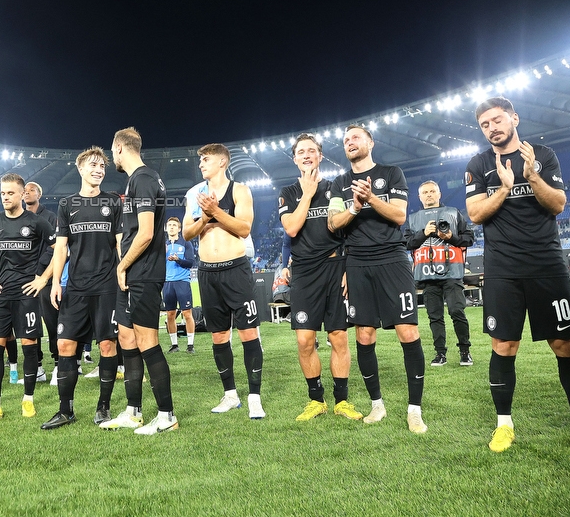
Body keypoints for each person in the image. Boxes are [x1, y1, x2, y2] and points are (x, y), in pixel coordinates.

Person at [466, 97, 570, 454]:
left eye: (497, 120)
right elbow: (475, 214)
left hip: (546, 264)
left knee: (565, 344)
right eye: (485, 125)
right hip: (502, 269)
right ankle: (504, 426)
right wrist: (502, 188)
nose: (492, 128)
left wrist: (530, 177)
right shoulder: (478, 164)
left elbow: (558, 204)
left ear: (514, 118)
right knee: (504, 345)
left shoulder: (542, 155)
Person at [327, 124, 428, 434]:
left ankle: (414, 410)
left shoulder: (391, 173)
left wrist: (370, 197)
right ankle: (377, 405)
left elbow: (399, 216)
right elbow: (333, 224)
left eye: (355, 137)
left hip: (392, 258)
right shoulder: (339, 184)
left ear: (370, 142)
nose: (349, 142)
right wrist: (356, 207)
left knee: (407, 331)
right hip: (357, 261)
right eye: (345, 140)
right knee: (364, 334)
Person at [279, 133, 362, 422]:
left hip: (335, 268)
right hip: (303, 272)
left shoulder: (336, 187)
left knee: (338, 336)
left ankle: (341, 401)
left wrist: (349, 269)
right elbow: (291, 228)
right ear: (294, 158)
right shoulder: (288, 192)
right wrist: (306, 193)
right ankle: (316, 400)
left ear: (320, 156)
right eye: (300, 151)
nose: (306, 155)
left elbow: (349, 230)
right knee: (305, 340)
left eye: (311, 151)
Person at [100, 127, 178, 434]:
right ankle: (133, 412)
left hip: (142, 273)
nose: (111, 156)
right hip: (133, 273)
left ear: (119, 148)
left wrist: (122, 266)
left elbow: (145, 233)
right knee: (127, 339)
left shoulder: (144, 179)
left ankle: (167, 416)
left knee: (147, 342)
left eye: (111, 150)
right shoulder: (138, 180)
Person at [43, 147, 123, 429]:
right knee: (65, 344)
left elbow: (121, 242)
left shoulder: (113, 202)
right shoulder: (66, 204)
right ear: (80, 169)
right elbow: (61, 247)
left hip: (106, 286)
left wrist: (123, 272)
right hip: (75, 287)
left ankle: (104, 407)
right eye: (93, 165)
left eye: (102, 165)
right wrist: (56, 282)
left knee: (107, 344)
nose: (99, 169)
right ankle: (66, 410)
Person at [183, 143, 264, 420]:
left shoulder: (239, 190)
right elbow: (186, 233)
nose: (201, 164)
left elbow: (244, 229)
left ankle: (254, 397)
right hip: (207, 272)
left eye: (206, 159)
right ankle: (230, 395)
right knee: (219, 335)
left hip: (236, 270)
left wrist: (216, 212)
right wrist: (205, 216)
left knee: (248, 333)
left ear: (221, 162)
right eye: (201, 160)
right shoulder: (195, 194)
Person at [0, 173, 55, 424]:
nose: (6, 197)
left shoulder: (37, 222)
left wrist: (42, 279)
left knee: (29, 347)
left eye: (10, 192)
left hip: (27, 295)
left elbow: (59, 249)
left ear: (21, 194)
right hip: (1, 295)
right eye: (2, 193)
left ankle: (27, 400)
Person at [405, 181, 474, 367]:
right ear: (419, 197)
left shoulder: (453, 213)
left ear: (439, 193)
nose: (429, 195)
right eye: (425, 192)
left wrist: (451, 237)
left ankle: (465, 351)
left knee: (457, 311)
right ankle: (440, 354)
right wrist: (423, 233)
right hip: (427, 276)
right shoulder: (413, 219)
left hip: (452, 272)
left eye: (432, 191)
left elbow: (469, 238)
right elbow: (407, 243)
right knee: (434, 316)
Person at [26, 181, 57, 382]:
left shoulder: (50, 217)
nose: (27, 193)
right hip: (26, 280)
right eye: (25, 190)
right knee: (30, 323)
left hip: (46, 277)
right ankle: (37, 368)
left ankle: (58, 365)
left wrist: (40, 272)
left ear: (40, 194)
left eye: (32, 190)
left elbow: (54, 247)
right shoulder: (19, 218)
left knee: (52, 322)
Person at [163, 217, 195, 354]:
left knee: (187, 313)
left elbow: (191, 262)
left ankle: (190, 345)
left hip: (182, 281)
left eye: (174, 225)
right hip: (167, 282)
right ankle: (174, 344)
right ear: (166, 228)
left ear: (179, 229)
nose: (171, 227)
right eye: (169, 225)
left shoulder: (186, 243)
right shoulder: (162, 244)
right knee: (170, 314)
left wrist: (178, 260)